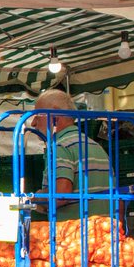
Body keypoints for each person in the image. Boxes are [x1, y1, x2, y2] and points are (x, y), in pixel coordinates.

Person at [31, 89, 112, 221]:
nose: (33, 123)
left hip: (75, 231)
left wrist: (37, 198)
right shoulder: (95, 146)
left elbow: (61, 195)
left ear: (55, 117)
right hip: (104, 229)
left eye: (37, 116)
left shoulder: (60, 146)